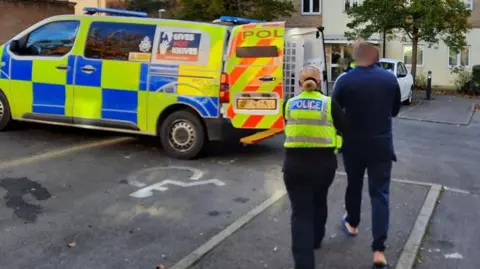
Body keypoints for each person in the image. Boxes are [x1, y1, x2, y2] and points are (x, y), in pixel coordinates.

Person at [332, 41, 401, 268]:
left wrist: (346, 127)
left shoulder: (345, 80)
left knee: (353, 184)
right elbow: (395, 111)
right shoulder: (390, 79)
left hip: (353, 145)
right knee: (380, 194)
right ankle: (379, 251)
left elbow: (335, 111)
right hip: (381, 145)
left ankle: (352, 223)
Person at [283, 65, 346, 269]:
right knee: (319, 202)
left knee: (300, 213)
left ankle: (303, 264)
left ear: (300, 84)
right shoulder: (329, 104)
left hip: (295, 166)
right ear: (319, 82)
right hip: (323, 165)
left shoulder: (289, 104)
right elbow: (345, 129)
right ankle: (317, 239)